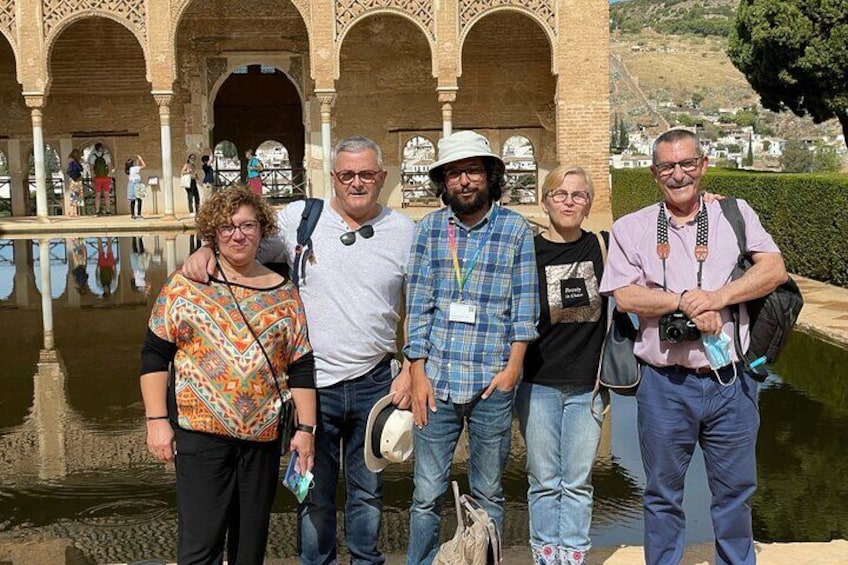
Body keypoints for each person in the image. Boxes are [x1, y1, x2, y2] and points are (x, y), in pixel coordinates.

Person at [182, 135, 415, 564]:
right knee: (314, 491)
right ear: (333, 178)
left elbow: (419, 305)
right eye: (347, 175)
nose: (357, 183)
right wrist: (206, 249)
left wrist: (412, 366)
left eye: (366, 174)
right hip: (312, 388)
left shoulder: (403, 232)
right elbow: (243, 247)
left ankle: (367, 561)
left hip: (375, 382)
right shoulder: (300, 219)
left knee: (368, 492)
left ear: (382, 177)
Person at [599, 128, 788, 565]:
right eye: (667, 166)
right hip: (665, 384)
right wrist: (683, 300)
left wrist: (718, 298)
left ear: (702, 166)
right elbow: (625, 295)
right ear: (653, 173)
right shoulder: (632, 228)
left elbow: (774, 270)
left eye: (687, 164)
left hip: (731, 382)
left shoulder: (735, 215)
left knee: (735, 493)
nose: (678, 174)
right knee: (662, 494)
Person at [140, 186, 318, 565]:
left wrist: (306, 431)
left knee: (249, 547)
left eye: (248, 225)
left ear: (261, 230)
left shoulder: (284, 292)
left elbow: (300, 365)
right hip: (201, 436)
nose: (238, 235)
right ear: (213, 233)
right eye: (227, 227)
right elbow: (155, 355)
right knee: (201, 545)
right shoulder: (187, 286)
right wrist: (157, 421)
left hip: (261, 439)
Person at [404, 130, 539, 564]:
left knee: (488, 492)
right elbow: (419, 307)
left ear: (490, 177)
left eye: (473, 171)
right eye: (455, 173)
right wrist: (417, 373)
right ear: (442, 182)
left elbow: (524, 308)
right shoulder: (428, 230)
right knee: (426, 494)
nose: (465, 181)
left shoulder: (515, 229)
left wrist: (512, 370)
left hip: (491, 384)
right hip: (437, 383)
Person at [517, 165, 609, 565]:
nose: (569, 201)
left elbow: (658, 228)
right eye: (560, 194)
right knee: (543, 480)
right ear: (545, 201)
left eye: (578, 195)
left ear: (589, 204)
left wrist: (708, 201)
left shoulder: (604, 247)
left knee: (577, 480)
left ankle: (572, 553)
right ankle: (544, 552)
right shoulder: (527, 253)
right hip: (538, 383)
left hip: (588, 385)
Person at [88, 143, 113, 216]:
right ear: (101, 148)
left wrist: (93, 178)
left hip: (97, 178)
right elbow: (110, 167)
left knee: (97, 195)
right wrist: (110, 176)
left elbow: (91, 169)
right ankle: (108, 211)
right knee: (107, 194)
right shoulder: (106, 156)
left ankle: (97, 211)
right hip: (106, 178)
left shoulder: (93, 157)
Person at [125, 155, 146, 220]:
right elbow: (144, 165)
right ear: (132, 164)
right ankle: (139, 214)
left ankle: (133, 215)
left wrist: (137, 161)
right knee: (139, 199)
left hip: (131, 184)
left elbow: (136, 166)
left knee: (132, 200)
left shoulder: (128, 170)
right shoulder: (135, 168)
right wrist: (141, 159)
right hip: (137, 184)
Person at [66, 149, 84, 217]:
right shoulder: (76, 162)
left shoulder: (70, 161)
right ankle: (75, 212)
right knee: (77, 195)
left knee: (73, 195)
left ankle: (72, 211)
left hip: (72, 179)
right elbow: (81, 169)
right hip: (77, 179)